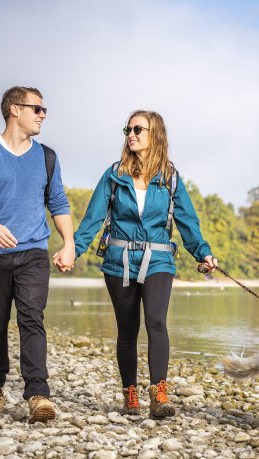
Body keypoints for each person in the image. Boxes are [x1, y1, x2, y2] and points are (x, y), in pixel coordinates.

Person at [73, 110, 217, 418]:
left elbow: (187, 221)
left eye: (139, 129)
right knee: (127, 330)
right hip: (119, 262)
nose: (131, 134)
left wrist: (202, 252)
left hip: (158, 260)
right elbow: (93, 218)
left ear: (156, 135)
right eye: (128, 128)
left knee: (156, 321)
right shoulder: (114, 174)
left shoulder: (170, 177)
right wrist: (73, 249)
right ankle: (130, 396)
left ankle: (159, 394)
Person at [0, 86, 75, 423]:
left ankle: (38, 394)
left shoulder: (47, 157)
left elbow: (58, 203)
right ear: (14, 109)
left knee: (32, 319)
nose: (43, 115)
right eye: (37, 108)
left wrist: (68, 243)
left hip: (34, 254)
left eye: (44, 110)